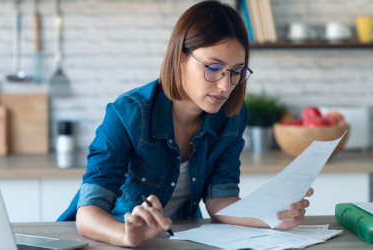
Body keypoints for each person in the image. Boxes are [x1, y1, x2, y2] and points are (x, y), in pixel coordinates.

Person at [57, 0, 314, 247]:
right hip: (107, 239)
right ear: (180, 58)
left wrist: (273, 217)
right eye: (214, 67)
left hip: (175, 239)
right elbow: (88, 213)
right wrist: (126, 236)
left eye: (237, 71)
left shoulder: (232, 116)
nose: (226, 86)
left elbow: (219, 199)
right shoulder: (128, 114)